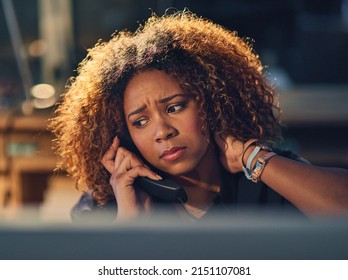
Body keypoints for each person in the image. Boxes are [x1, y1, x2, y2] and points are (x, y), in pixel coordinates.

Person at [49, 10, 348, 222]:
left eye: (175, 107)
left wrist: (255, 159)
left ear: (213, 103)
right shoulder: (103, 208)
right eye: (140, 121)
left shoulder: (269, 177)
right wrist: (130, 220)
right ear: (124, 136)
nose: (162, 131)